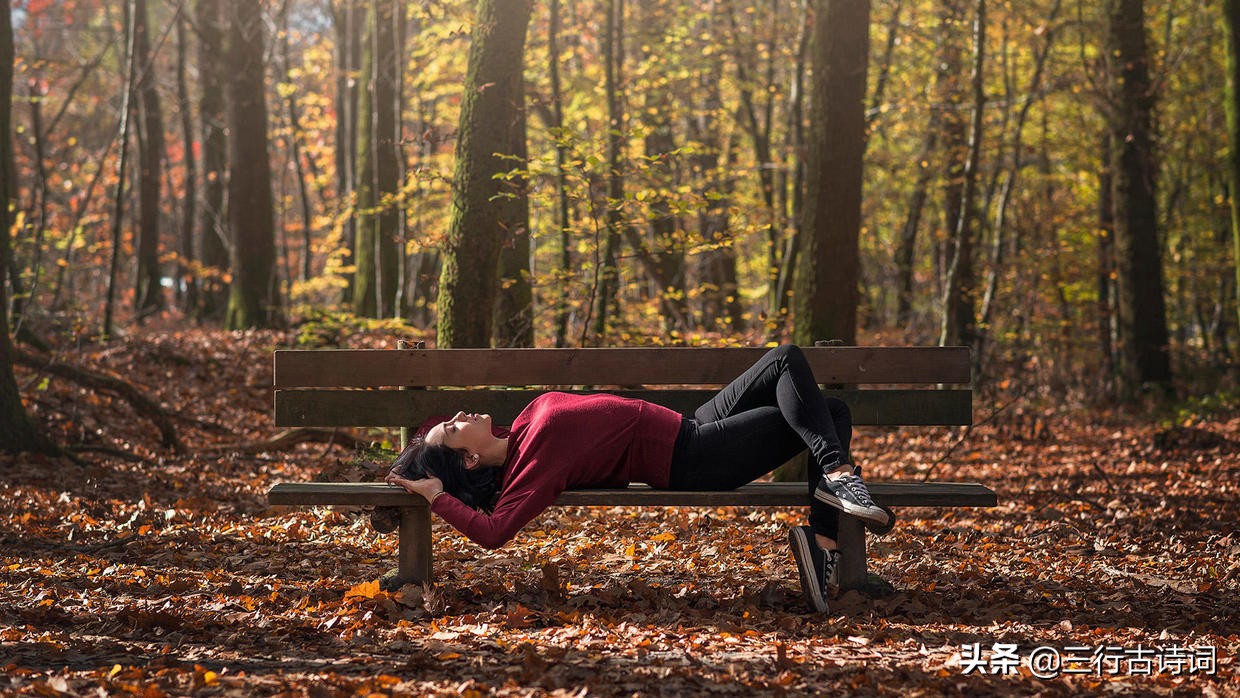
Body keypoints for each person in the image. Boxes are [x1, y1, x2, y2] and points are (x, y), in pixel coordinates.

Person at [385, 344, 893, 613]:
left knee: (798, 372)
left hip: (692, 425)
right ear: (468, 460)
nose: (456, 414)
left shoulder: (519, 431)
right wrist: (435, 495)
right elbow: (494, 533)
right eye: (450, 429)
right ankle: (836, 494)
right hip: (695, 457)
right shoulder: (532, 469)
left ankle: (822, 534)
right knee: (825, 404)